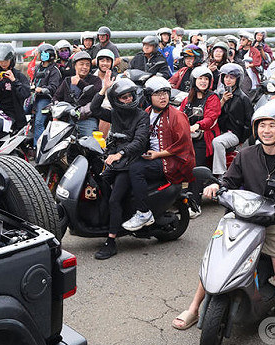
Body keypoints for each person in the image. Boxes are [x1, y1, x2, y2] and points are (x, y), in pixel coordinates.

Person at [173, 106, 275, 345]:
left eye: (272, 125)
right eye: (262, 125)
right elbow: (229, 180)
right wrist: (216, 185)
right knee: (216, 258)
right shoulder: (245, 155)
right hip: (244, 215)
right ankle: (193, 308)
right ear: (255, 129)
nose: (267, 130)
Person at [89, 76, 149, 260]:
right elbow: (94, 109)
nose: (129, 99)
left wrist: (120, 154)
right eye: (124, 97)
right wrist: (103, 90)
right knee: (97, 185)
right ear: (117, 99)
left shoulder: (141, 116)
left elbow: (140, 142)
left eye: (130, 96)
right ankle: (109, 220)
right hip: (113, 161)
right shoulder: (114, 113)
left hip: (129, 162)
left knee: (115, 199)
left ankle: (111, 241)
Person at [123, 76, 195, 229]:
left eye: (165, 93)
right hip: (152, 156)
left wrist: (158, 154)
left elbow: (183, 144)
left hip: (171, 160)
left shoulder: (177, 116)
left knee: (136, 169)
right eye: (157, 94)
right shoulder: (147, 112)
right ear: (149, 97)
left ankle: (143, 212)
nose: (163, 97)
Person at [178, 66, 219, 217]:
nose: (203, 81)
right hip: (186, 137)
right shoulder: (188, 98)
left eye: (206, 79)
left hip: (204, 136)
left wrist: (198, 125)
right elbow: (179, 113)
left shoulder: (212, 98)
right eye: (200, 78)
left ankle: (195, 205)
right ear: (194, 80)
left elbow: (211, 117)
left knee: (196, 167)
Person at [212, 63, 253, 177]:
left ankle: (221, 174)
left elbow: (249, 123)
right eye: (226, 77)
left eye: (232, 77)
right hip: (219, 130)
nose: (228, 80)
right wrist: (223, 101)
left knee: (217, 142)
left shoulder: (243, 98)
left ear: (238, 79)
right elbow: (213, 114)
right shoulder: (219, 94)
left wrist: (241, 138)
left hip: (234, 133)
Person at [52, 51, 101, 138]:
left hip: (87, 118)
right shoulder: (67, 80)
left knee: (90, 144)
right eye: (81, 64)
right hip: (68, 118)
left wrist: (80, 83)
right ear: (75, 66)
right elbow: (56, 97)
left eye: (87, 65)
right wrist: (57, 106)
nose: (84, 67)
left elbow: (96, 94)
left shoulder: (95, 80)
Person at [0, 42, 31, 139]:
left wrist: (14, 81)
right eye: (1, 60)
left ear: (11, 60)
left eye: (6, 60)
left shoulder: (18, 76)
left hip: (13, 115)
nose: (3, 63)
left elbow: (25, 94)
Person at [30, 43, 62, 146]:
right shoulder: (38, 67)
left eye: (40, 53)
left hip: (46, 99)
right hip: (35, 97)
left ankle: (38, 147)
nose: (38, 54)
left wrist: (42, 90)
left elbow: (54, 87)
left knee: (39, 123)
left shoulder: (54, 70)